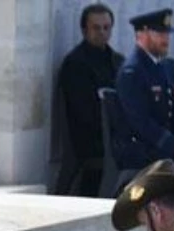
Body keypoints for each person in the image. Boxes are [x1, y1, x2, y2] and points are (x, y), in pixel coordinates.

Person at [112, 9, 174, 175]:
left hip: (159, 146)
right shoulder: (132, 71)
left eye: (167, 33)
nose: (166, 39)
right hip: (141, 148)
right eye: (160, 33)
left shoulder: (159, 68)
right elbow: (141, 124)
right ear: (143, 34)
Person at [54, 3, 124, 197]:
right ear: (84, 30)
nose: (102, 32)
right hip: (90, 140)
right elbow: (84, 113)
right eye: (96, 27)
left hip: (116, 134)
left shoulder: (118, 62)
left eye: (106, 27)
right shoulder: (75, 64)